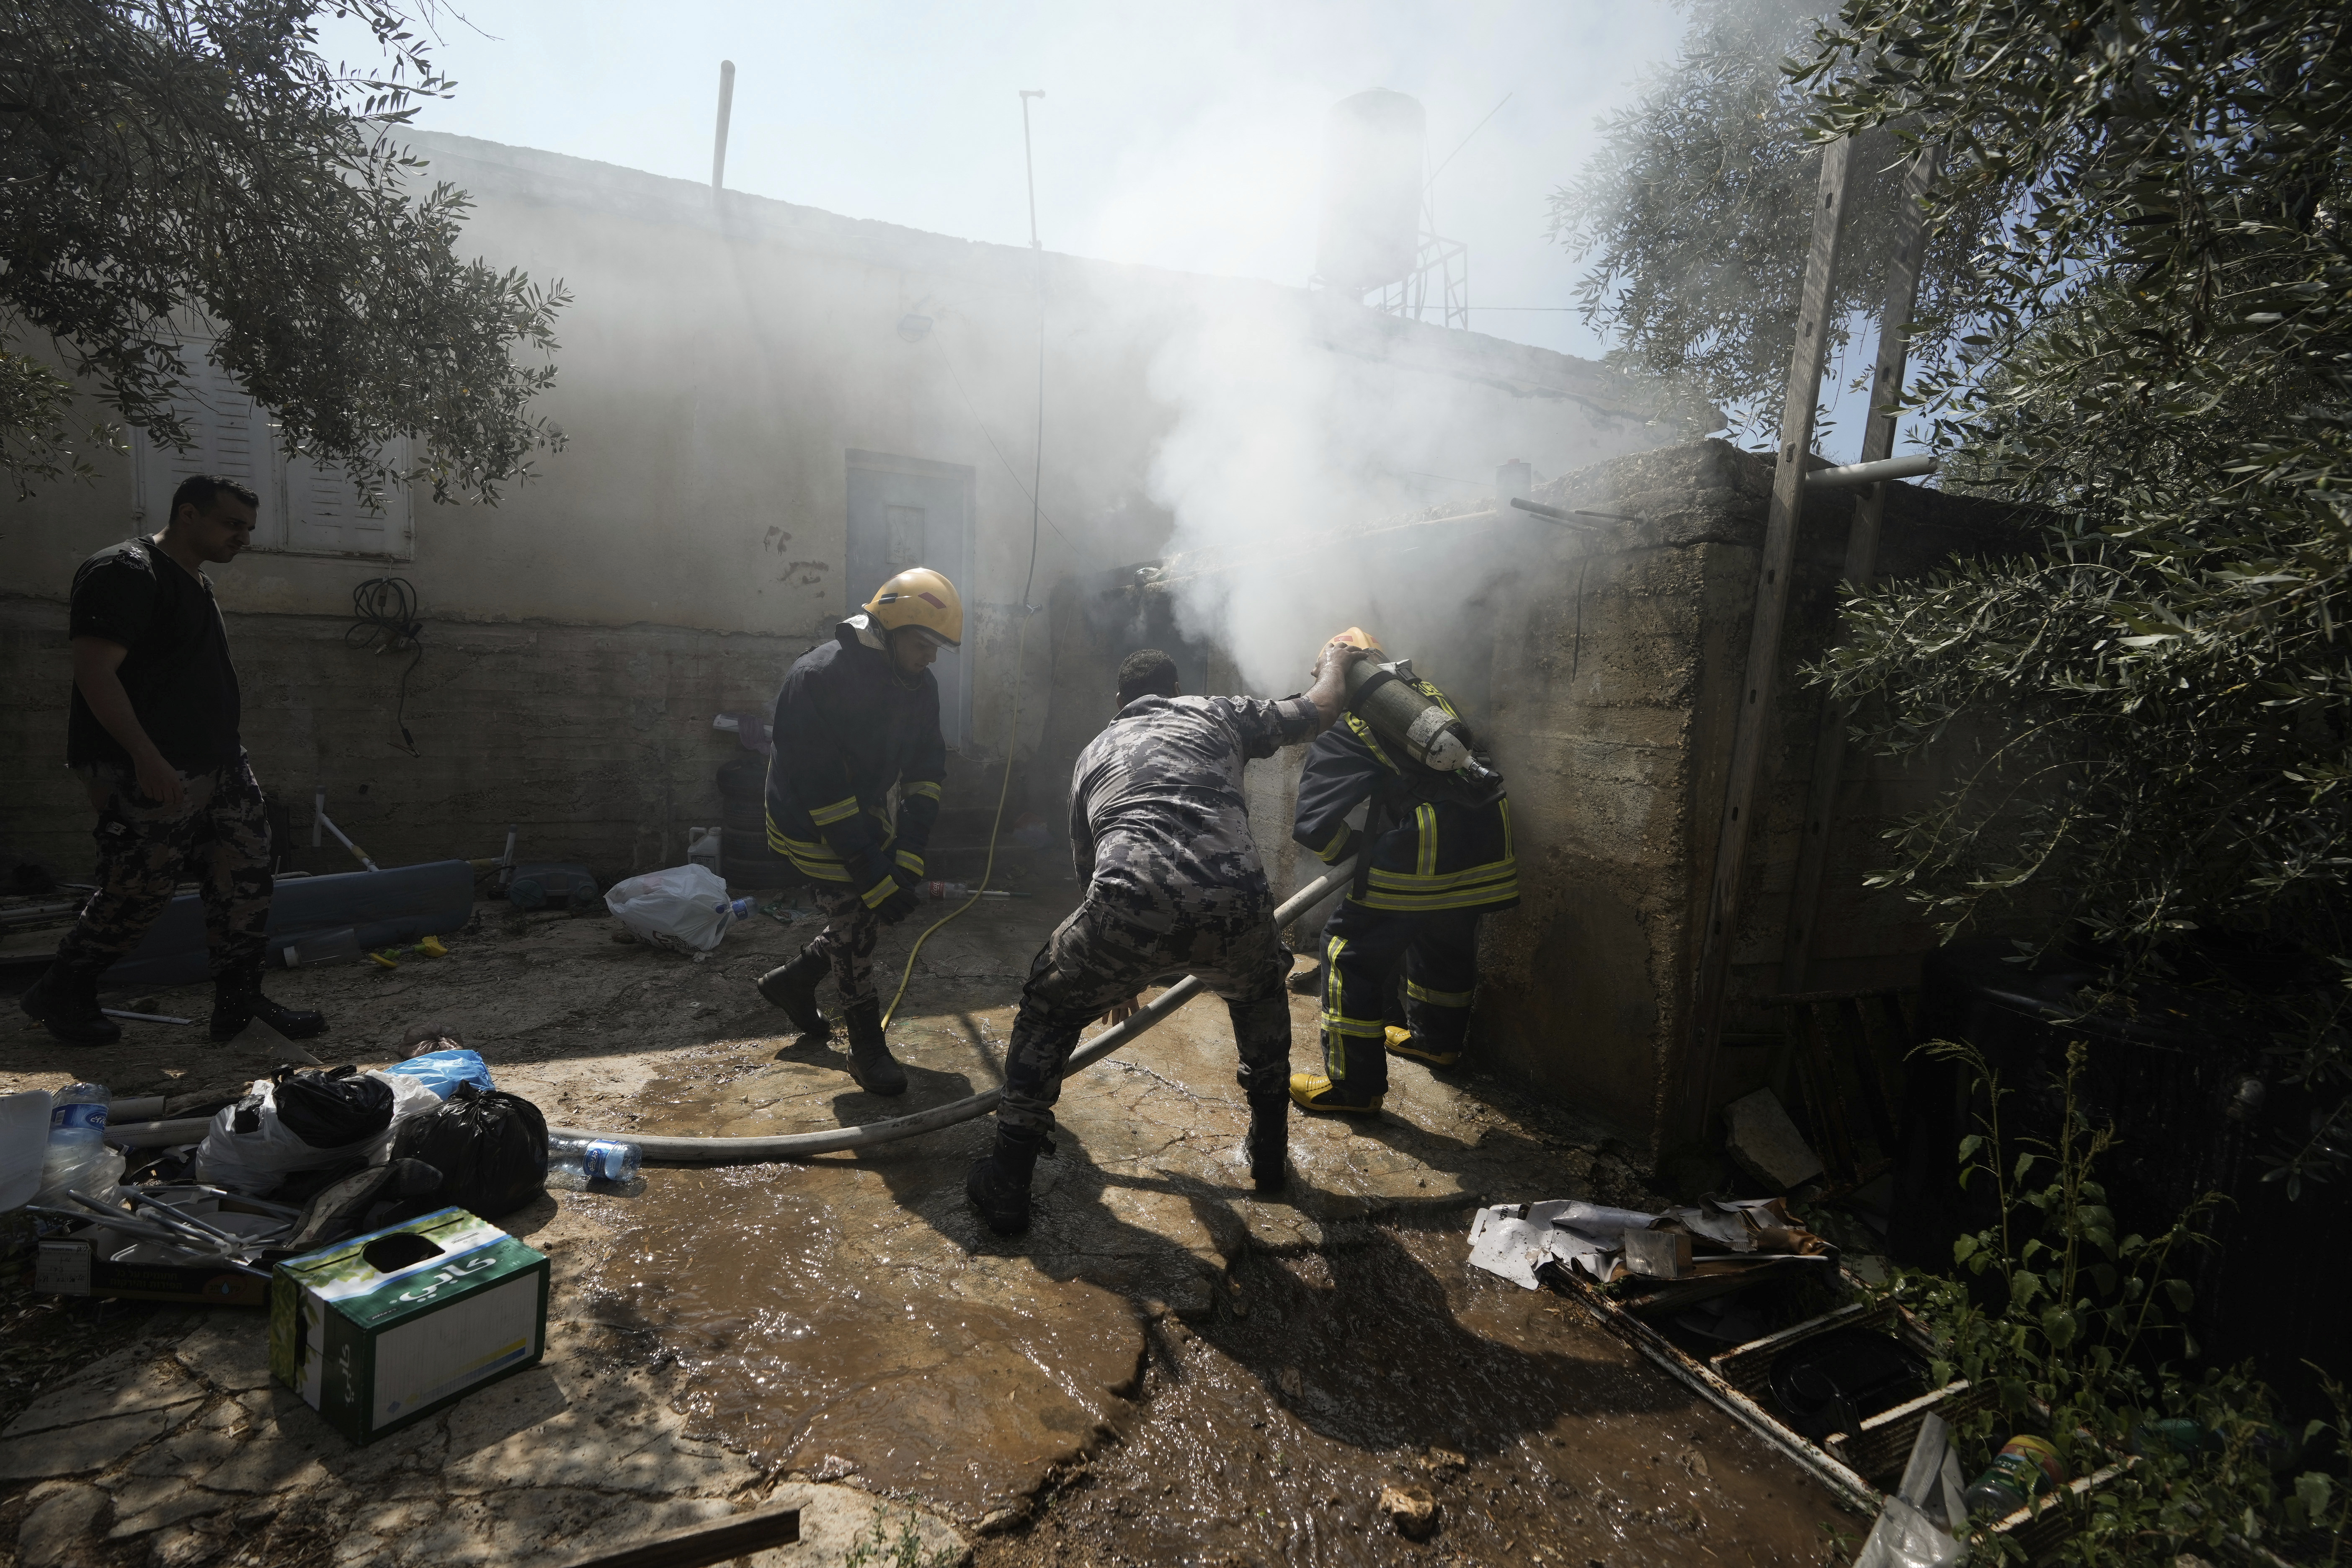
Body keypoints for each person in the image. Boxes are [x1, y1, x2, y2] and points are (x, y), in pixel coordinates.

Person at [965, 638, 1368, 1236]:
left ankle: (1008, 1180)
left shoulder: (1093, 752)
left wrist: (1114, 973)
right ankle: (1269, 1157)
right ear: (1176, 692)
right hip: (1238, 907)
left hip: (1129, 909)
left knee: (1047, 1004)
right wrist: (1337, 655)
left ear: (1118, 702)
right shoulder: (1216, 713)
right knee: (1259, 999)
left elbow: (1091, 869)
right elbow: (1322, 709)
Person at [21, 475, 327, 1047]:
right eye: (232, 524)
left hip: (218, 761)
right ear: (188, 514)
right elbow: (94, 672)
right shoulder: (125, 571)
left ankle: (239, 1005)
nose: (244, 538)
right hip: (149, 766)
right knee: (137, 889)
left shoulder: (196, 582)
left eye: (249, 528)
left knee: (246, 875)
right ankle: (63, 987)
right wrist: (145, 757)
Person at [1287, 634, 1516, 1114]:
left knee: (1346, 954)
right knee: (1442, 935)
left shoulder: (1349, 724)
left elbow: (1314, 826)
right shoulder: (1429, 698)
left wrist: (1356, 851)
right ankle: (1436, 1042)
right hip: (1485, 845)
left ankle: (1354, 1088)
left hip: (1426, 853)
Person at [754, 567, 960, 1095]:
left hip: (862, 810)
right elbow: (822, 792)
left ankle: (796, 981)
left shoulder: (917, 685)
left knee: (872, 904)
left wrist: (909, 857)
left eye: (938, 647)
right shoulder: (817, 678)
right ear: (888, 630)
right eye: (923, 643)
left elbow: (925, 770)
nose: (932, 657)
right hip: (805, 817)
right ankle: (866, 1046)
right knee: (856, 912)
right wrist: (872, 871)